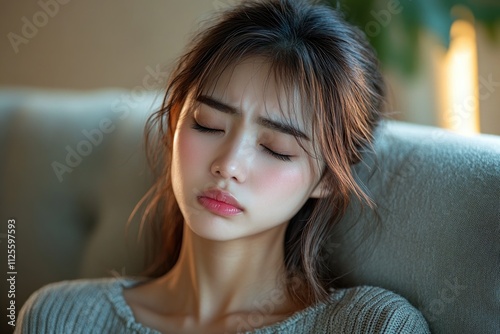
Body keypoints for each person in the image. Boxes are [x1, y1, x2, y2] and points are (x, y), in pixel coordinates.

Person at [15, 0, 430, 333]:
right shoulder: (59, 317)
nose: (228, 165)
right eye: (208, 124)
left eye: (277, 148)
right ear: (175, 119)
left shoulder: (373, 325)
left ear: (326, 177)